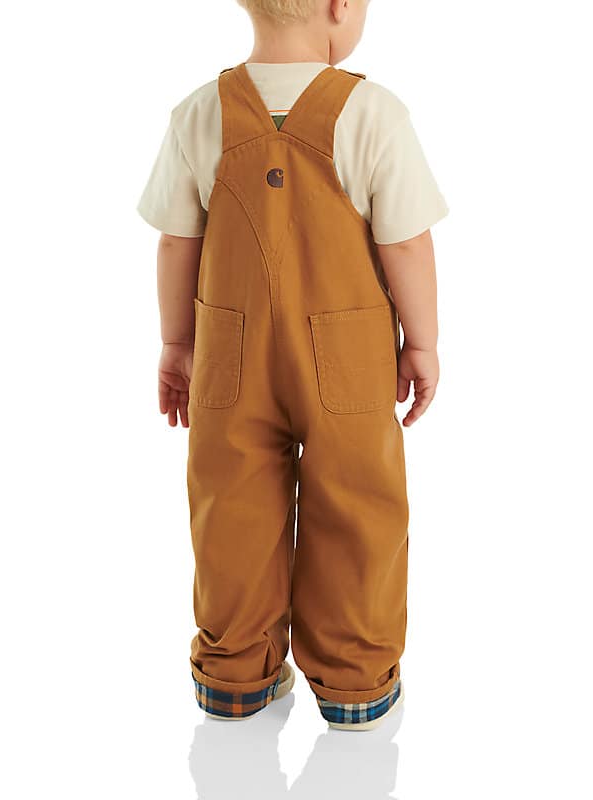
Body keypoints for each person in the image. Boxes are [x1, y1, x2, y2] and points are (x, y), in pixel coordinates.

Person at [137, 0, 448, 730]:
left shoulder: (198, 114)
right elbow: (406, 243)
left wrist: (177, 344)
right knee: (358, 508)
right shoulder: (373, 113)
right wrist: (422, 342)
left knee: (231, 508)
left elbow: (177, 242)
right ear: (340, 5)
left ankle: (235, 678)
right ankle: (356, 687)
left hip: (229, 352)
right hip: (349, 358)